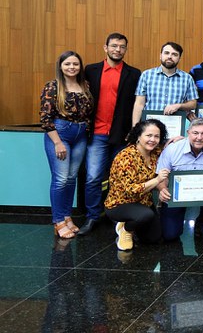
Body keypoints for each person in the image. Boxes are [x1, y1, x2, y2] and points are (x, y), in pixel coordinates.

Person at [80, 33, 141, 236]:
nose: (118, 50)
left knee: (121, 178)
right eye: (114, 46)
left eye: (122, 47)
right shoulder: (91, 70)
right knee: (93, 177)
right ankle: (92, 216)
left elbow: (137, 104)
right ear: (105, 47)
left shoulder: (134, 74)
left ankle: (117, 215)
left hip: (122, 135)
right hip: (97, 133)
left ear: (126, 50)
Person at [41, 51, 94, 239]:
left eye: (75, 64)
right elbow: (45, 118)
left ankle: (66, 216)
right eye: (68, 64)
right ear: (61, 66)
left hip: (80, 135)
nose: (72, 67)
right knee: (60, 179)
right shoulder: (53, 86)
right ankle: (58, 221)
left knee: (71, 178)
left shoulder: (85, 85)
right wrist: (57, 143)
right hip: (60, 134)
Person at [156, 118, 203, 242]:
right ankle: (166, 213)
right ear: (188, 133)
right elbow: (162, 176)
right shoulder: (172, 149)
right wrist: (162, 189)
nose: (199, 137)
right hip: (176, 194)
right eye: (195, 133)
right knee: (170, 234)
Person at [104, 119, 170, 251]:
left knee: (154, 238)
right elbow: (130, 190)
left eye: (156, 136)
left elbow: (169, 148)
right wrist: (157, 180)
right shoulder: (126, 157)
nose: (153, 140)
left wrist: (177, 140)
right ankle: (125, 229)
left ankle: (134, 224)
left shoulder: (155, 153)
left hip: (144, 203)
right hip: (121, 203)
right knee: (146, 215)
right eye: (148, 135)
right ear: (138, 136)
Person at [132, 42, 198, 125]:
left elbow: (193, 104)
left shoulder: (187, 78)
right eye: (166, 53)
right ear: (160, 55)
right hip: (150, 125)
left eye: (174, 54)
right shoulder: (146, 75)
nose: (170, 56)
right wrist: (134, 127)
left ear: (179, 58)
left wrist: (178, 106)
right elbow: (139, 104)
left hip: (175, 125)